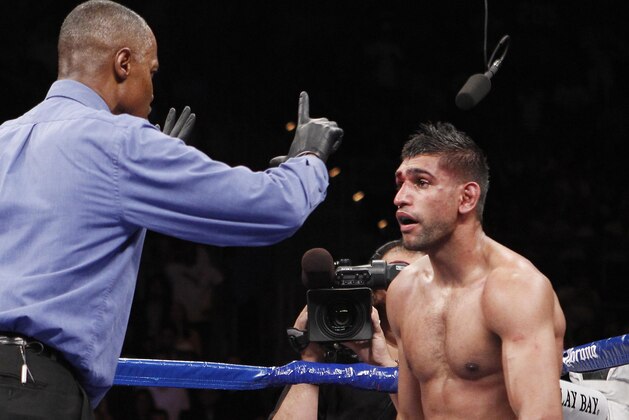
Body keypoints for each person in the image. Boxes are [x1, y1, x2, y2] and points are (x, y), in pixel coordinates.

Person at [0, 0, 343, 417]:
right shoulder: (120, 142)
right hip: (29, 387)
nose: (154, 89)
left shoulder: (6, 137)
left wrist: (147, 183)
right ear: (124, 63)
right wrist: (308, 159)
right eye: (153, 71)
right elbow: (274, 208)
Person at [387, 122, 566, 419]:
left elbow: (540, 414)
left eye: (421, 182)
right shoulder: (403, 291)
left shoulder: (515, 288)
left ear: (467, 198)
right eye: (400, 183)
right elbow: (409, 415)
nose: (400, 198)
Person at [270, 240, 423, 420]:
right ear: (373, 291)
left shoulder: (446, 360)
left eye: (411, 276)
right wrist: (311, 360)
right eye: (391, 277)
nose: (401, 286)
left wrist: (384, 368)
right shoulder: (337, 362)